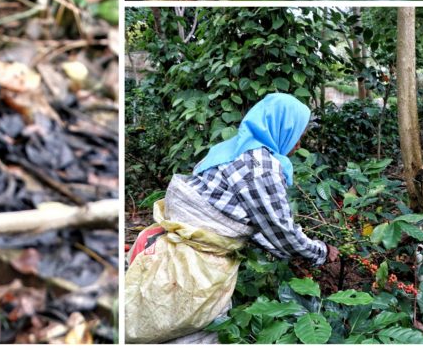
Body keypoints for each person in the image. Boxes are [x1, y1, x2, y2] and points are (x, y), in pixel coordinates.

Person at [122, 94, 340, 343]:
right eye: (298, 134)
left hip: (176, 247)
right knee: (191, 326)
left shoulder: (230, 149)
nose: (299, 144)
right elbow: (280, 230)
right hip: (195, 262)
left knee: (166, 319)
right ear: (282, 127)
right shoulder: (260, 165)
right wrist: (320, 251)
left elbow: (243, 218)